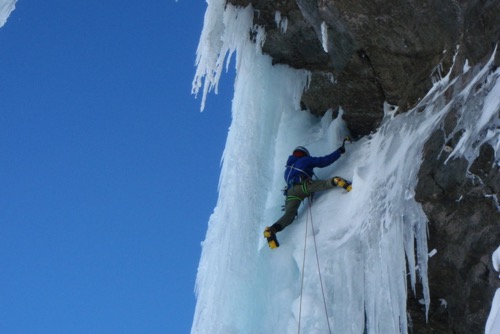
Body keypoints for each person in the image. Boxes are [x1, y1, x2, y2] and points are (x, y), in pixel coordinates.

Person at [264, 141, 350, 248]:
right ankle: (335, 181)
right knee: (322, 184)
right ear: (304, 154)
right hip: (303, 186)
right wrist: (339, 152)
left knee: (289, 215)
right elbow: (324, 161)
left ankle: (272, 230)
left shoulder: (287, 169)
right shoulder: (305, 160)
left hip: (291, 193)